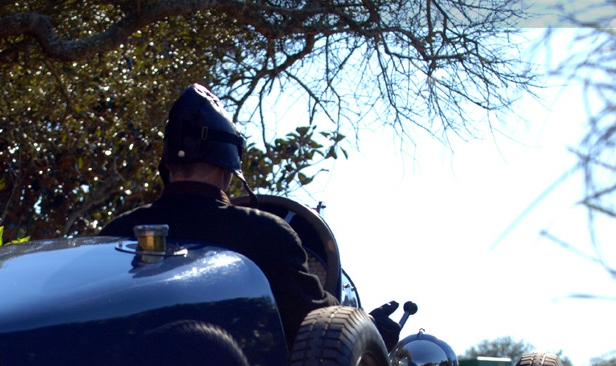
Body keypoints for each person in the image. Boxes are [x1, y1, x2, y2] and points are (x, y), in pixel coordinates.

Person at [101, 83, 400, 349]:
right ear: (228, 168)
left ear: (167, 164)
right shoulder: (265, 235)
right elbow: (318, 324)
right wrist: (369, 328)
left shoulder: (116, 233)